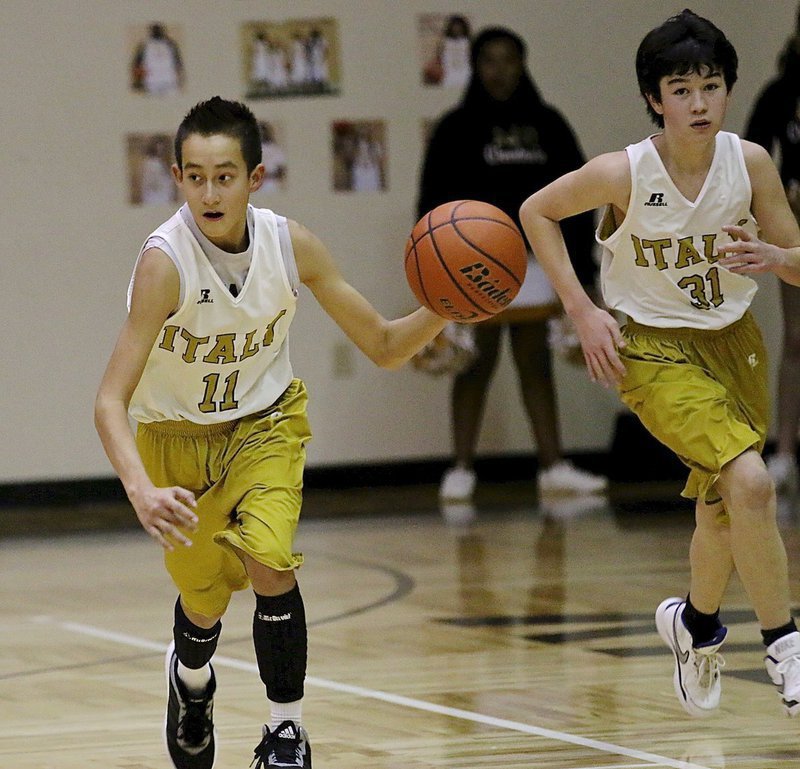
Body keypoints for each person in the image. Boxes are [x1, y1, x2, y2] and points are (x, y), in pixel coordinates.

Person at [94, 97, 447, 769]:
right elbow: (110, 400)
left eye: (224, 175)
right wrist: (139, 489)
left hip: (266, 424)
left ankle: (286, 730)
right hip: (174, 441)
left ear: (255, 179)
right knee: (204, 600)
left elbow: (383, 343)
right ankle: (191, 682)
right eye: (194, 176)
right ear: (177, 178)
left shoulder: (292, 245)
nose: (208, 191)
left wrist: (445, 307)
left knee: (269, 558)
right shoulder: (164, 263)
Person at [519, 9, 800, 717]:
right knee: (754, 483)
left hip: (734, 343)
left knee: (724, 509)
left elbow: (799, 262)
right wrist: (582, 309)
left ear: (728, 90)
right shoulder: (624, 172)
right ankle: (785, 643)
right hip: (650, 347)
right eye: (681, 89)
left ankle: (695, 623)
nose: (698, 102)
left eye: (710, 86)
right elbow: (536, 211)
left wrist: (776, 257)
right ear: (655, 98)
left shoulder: (752, 163)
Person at [417, 26, 608, 502]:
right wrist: (439, 272)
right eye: (489, 60)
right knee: (474, 364)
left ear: (523, 64)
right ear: (475, 67)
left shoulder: (549, 124)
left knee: (534, 360)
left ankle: (552, 466)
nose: (499, 70)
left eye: (508, 60)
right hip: (473, 265)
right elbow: (430, 205)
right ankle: (460, 469)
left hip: (538, 262)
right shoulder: (453, 129)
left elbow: (581, 198)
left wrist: (583, 275)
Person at [744, 7, 800, 494]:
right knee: (797, 338)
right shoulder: (781, 94)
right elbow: (747, 162)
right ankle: (784, 451)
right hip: (797, 230)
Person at [131, 23, 184, 95]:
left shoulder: (171, 44)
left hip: (170, 82)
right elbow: (136, 65)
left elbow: (178, 63)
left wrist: (179, 77)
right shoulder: (144, 45)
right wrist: (138, 79)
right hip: (151, 84)